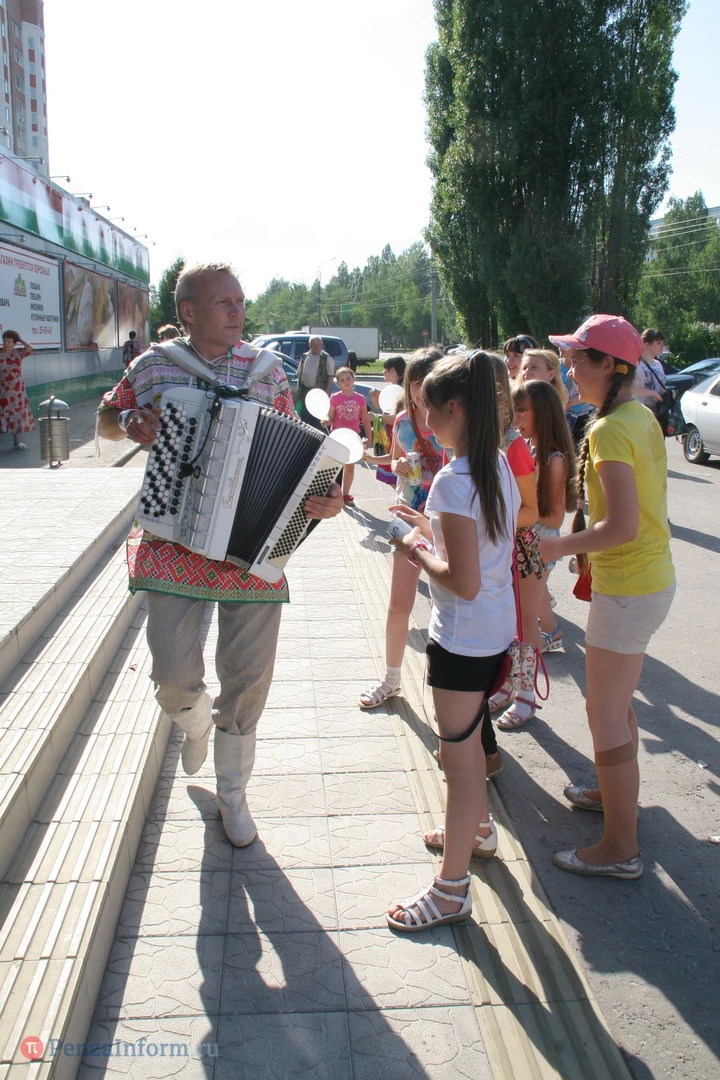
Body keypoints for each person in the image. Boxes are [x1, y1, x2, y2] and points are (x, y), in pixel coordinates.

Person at [97, 263, 344, 849]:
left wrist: (326, 494)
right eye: (224, 302)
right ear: (189, 312)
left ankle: (233, 792)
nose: (238, 311)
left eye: (240, 301)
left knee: (249, 678)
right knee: (171, 675)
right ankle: (193, 721)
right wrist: (128, 421)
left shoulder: (267, 371)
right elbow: (105, 420)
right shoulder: (155, 365)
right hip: (172, 538)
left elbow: (299, 451)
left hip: (252, 548)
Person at [385, 351, 519, 931]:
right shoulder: (495, 464)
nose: (423, 420)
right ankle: (479, 830)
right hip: (493, 629)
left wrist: (413, 548)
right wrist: (428, 528)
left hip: (462, 639)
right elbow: (481, 547)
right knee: (467, 754)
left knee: (459, 764)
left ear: (455, 409)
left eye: (428, 409)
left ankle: (450, 890)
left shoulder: (451, 480)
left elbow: (460, 580)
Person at [539, 314, 675, 880]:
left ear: (611, 367)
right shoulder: (636, 415)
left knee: (604, 712)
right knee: (614, 707)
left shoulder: (612, 429)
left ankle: (620, 846)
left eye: (578, 360)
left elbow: (619, 525)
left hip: (629, 588)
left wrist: (556, 546)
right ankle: (615, 794)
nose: (569, 370)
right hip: (643, 582)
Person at [359, 348, 445, 709]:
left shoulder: (455, 419)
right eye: (414, 384)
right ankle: (391, 680)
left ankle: (448, 692)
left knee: (447, 610)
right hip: (407, 517)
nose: (419, 392)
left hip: (445, 522)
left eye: (426, 383)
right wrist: (397, 466)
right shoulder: (403, 421)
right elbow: (395, 459)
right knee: (398, 604)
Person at [512, 380, 576, 652]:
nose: (515, 416)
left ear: (543, 412)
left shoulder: (554, 460)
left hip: (541, 542)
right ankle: (550, 632)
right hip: (523, 538)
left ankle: (531, 657)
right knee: (531, 600)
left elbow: (556, 518)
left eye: (521, 410)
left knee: (526, 610)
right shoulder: (525, 446)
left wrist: (521, 506)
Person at [326, 366, 372, 504]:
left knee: (350, 467)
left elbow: (365, 419)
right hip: (338, 437)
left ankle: (346, 494)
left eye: (348, 378)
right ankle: (332, 492)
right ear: (338, 383)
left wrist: (369, 437)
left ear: (353, 379)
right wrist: (326, 420)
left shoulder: (360, 398)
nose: (346, 382)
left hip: (353, 437)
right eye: (342, 380)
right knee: (334, 466)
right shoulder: (335, 398)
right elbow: (330, 416)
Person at [367, 356, 406, 488]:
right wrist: (375, 398)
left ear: (392, 370)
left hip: (397, 436)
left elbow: (398, 417)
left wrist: (377, 417)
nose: (383, 372)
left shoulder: (402, 391)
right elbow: (384, 408)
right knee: (391, 475)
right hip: (388, 436)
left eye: (385, 369)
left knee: (396, 473)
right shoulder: (392, 389)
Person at [0, 331, 34, 450]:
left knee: (16, 414)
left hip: (17, 389)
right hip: (3, 389)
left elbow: (29, 348)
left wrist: (20, 339)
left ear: (14, 343)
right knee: (2, 413)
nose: (6, 344)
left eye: (9, 342)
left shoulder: (18, 353)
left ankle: (17, 441)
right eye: (4, 341)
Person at [296, 335, 334, 428]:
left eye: (318, 344)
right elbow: (299, 373)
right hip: (305, 391)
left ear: (321, 344)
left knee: (317, 418)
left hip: (318, 392)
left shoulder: (326, 357)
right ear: (309, 344)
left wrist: (327, 391)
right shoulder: (305, 356)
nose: (316, 346)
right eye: (313, 344)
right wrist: (299, 391)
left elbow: (330, 376)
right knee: (305, 417)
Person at [634, 328, 668, 417]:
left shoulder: (658, 364)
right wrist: (652, 393)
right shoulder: (637, 365)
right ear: (647, 345)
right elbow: (631, 389)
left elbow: (661, 387)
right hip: (641, 413)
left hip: (658, 413)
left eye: (663, 343)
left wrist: (669, 393)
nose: (662, 346)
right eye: (658, 343)